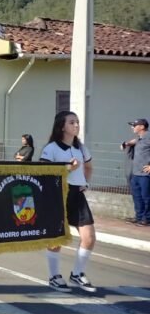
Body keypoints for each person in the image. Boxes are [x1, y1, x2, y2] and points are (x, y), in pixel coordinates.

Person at [39, 111, 97, 293]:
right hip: (58, 195)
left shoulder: (81, 148)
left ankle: (77, 274)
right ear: (62, 126)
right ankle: (54, 276)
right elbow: (43, 173)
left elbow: (88, 167)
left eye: (77, 122)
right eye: (72, 122)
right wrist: (67, 168)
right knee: (56, 239)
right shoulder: (51, 148)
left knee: (89, 238)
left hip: (77, 195)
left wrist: (86, 183)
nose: (77, 125)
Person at [126, 118, 149, 226]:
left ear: (142, 127)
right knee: (137, 197)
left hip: (145, 175)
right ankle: (139, 217)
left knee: (146, 197)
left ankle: (147, 219)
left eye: (134, 125)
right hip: (136, 174)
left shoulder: (148, 137)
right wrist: (127, 144)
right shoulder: (139, 139)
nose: (132, 127)